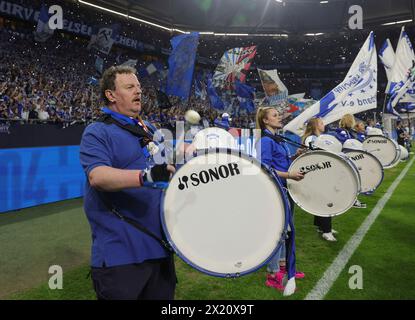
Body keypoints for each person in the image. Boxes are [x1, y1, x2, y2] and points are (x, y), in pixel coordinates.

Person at [79, 66, 177, 300]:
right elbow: (98, 177)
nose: (138, 91)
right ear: (111, 95)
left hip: (159, 250)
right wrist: (145, 177)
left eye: (139, 87)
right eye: (130, 87)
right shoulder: (97, 132)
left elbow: (172, 163)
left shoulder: (150, 129)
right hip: (120, 257)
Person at [255, 106, 305, 292]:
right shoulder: (266, 141)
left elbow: (279, 161)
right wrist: (289, 175)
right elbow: (264, 168)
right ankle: (273, 273)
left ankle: (283, 267)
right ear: (266, 121)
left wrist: (294, 156)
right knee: (278, 231)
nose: (279, 117)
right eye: (275, 115)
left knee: (286, 230)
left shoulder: (276, 138)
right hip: (274, 191)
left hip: (283, 189)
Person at [302, 118, 338, 242]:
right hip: (318, 173)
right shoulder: (312, 139)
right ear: (315, 126)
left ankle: (321, 226)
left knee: (321, 199)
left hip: (322, 172)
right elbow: (315, 155)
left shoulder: (318, 137)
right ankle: (326, 231)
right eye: (321, 123)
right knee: (325, 200)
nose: (324, 125)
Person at [334, 114, 366, 209]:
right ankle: (350, 200)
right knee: (348, 180)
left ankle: (351, 199)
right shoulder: (342, 132)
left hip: (346, 158)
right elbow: (345, 144)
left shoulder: (347, 132)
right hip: (343, 159)